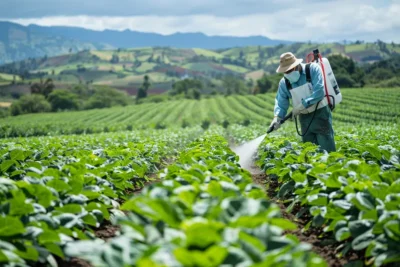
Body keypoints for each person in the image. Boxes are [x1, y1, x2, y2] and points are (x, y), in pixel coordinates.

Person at [269, 52, 336, 152]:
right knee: (309, 150)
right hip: (304, 118)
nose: (288, 73)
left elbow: (319, 92)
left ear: (296, 66)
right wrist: (277, 118)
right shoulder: (284, 83)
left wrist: (301, 106)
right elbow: (281, 102)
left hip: (321, 113)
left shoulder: (312, 69)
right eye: (285, 72)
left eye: (290, 70)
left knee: (327, 148)